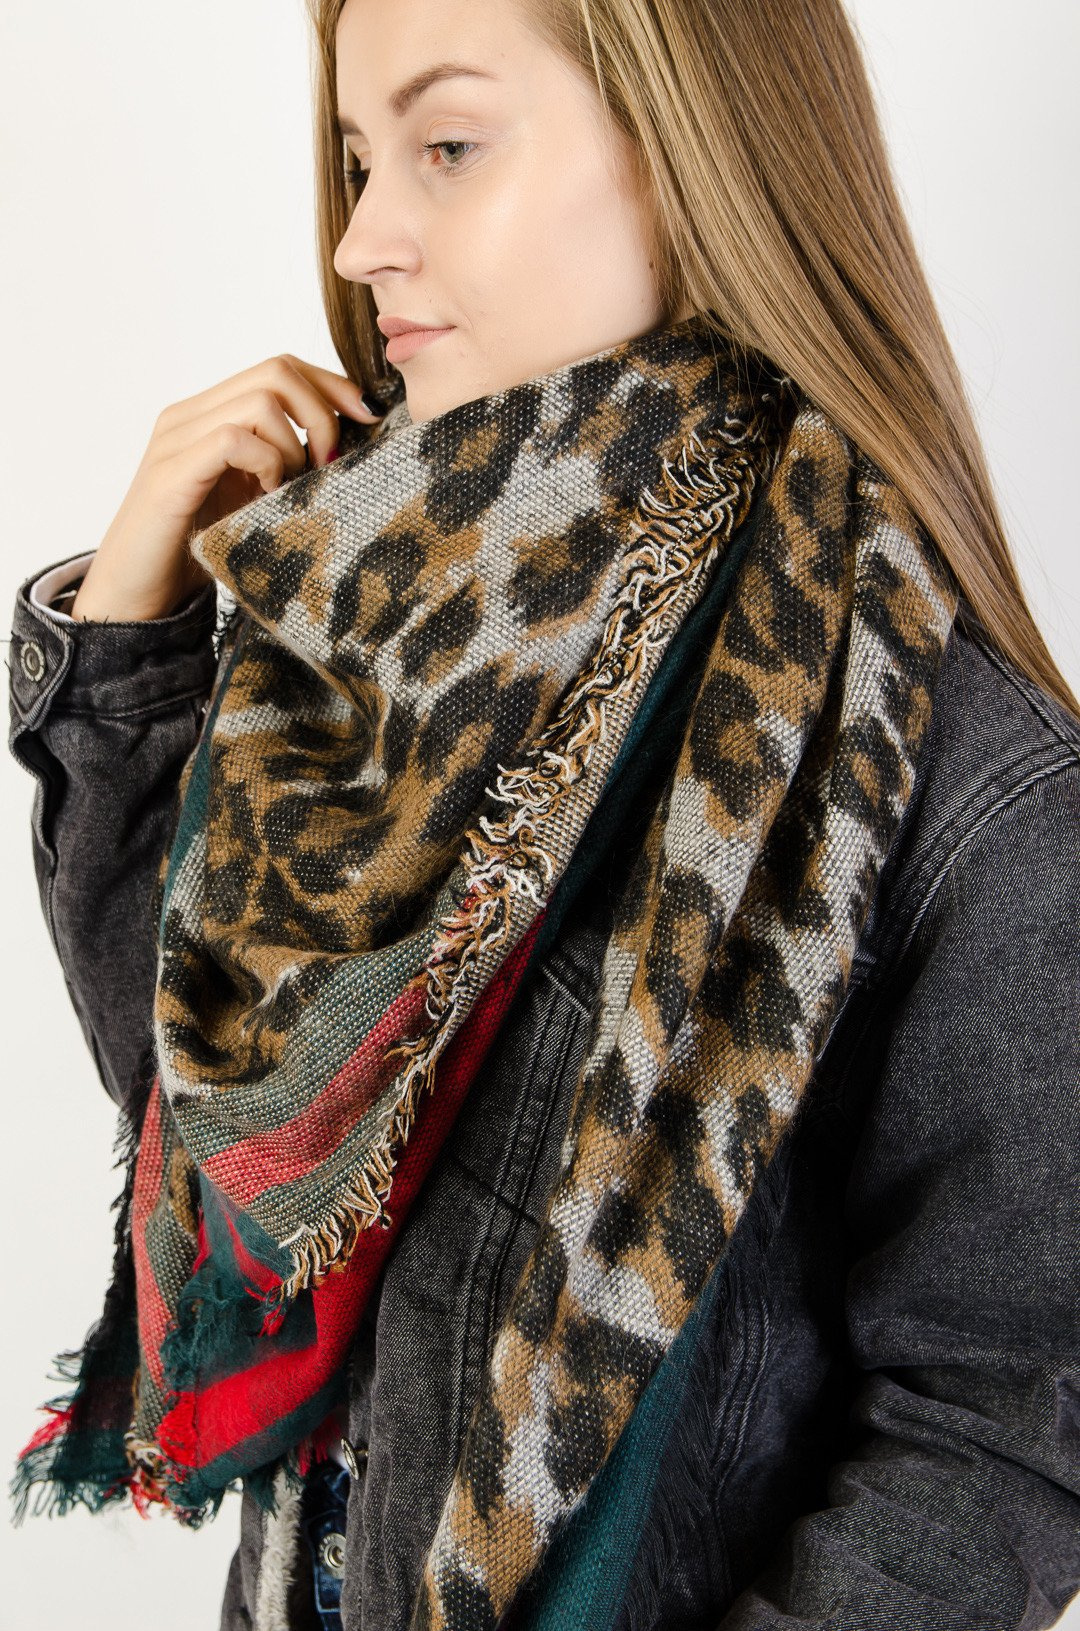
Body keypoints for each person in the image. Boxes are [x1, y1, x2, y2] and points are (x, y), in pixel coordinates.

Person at [7, 1, 1079, 1629]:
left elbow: (1000, 1423)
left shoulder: (947, 764)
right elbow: (212, 1124)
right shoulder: (367, 614)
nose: (362, 239)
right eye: (360, 160)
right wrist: (130, 643)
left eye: (447, 145)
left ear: (697, 156)